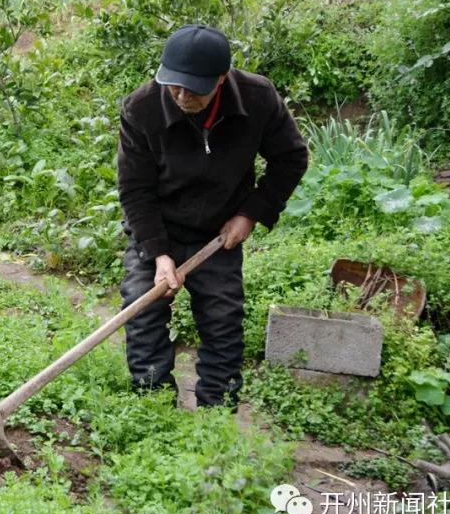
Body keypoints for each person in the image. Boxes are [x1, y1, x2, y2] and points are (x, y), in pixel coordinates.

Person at [116, 24, 308, 409]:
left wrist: (251, 213)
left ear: (221, 78)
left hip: (218, 233)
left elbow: (291, 158)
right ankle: (152, 406)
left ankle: (217, 410)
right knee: (142, 307)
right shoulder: (142, 108)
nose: (183, 96)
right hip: (159, 228)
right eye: (174, 86)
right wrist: (159, 254)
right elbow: (135, 190)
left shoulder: (257, 99)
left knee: (223, 319)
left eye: (194, 89)